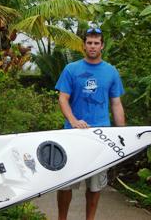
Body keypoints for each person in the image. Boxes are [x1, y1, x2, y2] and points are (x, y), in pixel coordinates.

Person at [55, 27, 125, 220]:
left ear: (102, 45)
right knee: (65, 183)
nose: (92, 46)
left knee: (95, 186)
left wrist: (123, 135)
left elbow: (116, 103)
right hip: (73, 135)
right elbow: (63, 98)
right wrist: (73, 121)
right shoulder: (71, 69)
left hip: (101, 136)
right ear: (84, 45)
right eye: (89, 42)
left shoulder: (111, 72)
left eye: (96, 43)